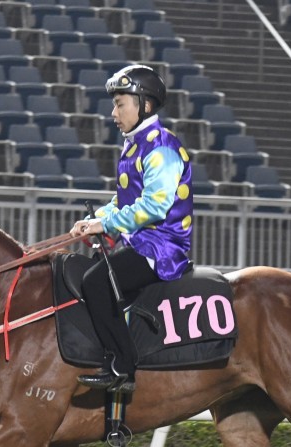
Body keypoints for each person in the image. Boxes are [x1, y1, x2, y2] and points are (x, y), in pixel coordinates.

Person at [69, 64, 194, 394]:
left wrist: (106, 223)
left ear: (145, 105)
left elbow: (154, 206)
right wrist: (96, 219)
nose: (113, 113)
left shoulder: (161, 147)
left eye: (120, 104)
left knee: (95, 282)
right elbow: (126, 199)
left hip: (163, 249)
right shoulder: (136, 144)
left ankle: (122, 367)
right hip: (142, 244)